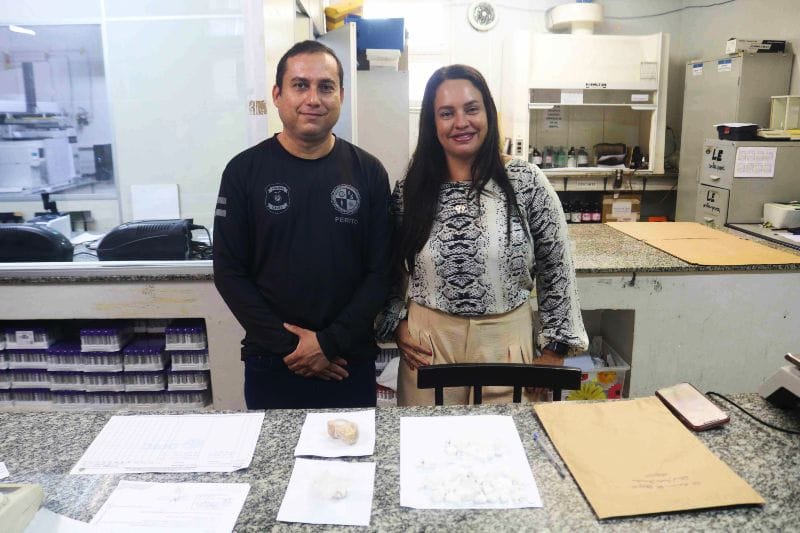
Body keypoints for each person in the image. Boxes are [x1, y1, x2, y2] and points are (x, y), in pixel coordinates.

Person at [376, 65, 588, 406]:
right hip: (427, 348)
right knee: (427, 438)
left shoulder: (526, 182)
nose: (461, 122)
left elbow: (557, 267)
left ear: (488, 113)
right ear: (432, 123)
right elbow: (388, 264)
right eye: (447, 113)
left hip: (507, 347)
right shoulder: (411, 188)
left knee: (506, 438)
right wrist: (396, 322)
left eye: (471, 109)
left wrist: (554, 350)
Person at [213, 40, 391, 409]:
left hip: (347, 361)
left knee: (354, 449)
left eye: (326, 87)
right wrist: (295, 348)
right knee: (274, 451)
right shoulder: (243, 172)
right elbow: (229, 273)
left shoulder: (369, 172)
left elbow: (381, 272)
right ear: (277, 95)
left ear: (341, 96)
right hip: (272, 362)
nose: (313, 98)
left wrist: (328, 344)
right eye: (300, 85)